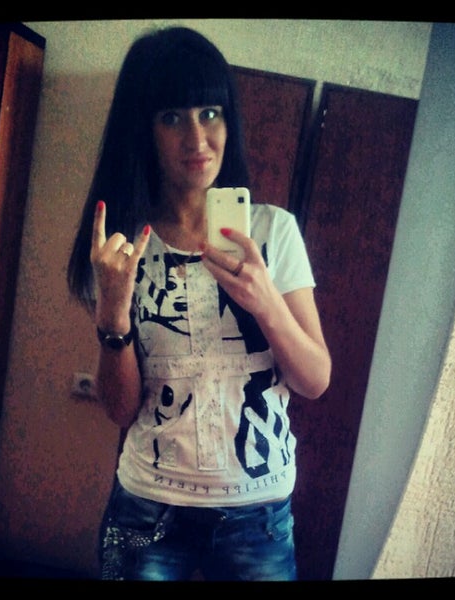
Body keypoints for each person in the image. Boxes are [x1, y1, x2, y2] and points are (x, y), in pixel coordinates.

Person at [67, 26, 331, 581]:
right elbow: (121, 411)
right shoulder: (119, 248)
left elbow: (314, 380)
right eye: (172, 117)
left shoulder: (273, 231)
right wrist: (113, 317)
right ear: (143, 128)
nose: (197, 138)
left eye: (210, 113)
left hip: (259, 515)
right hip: (148, 511)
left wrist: (266, 302)